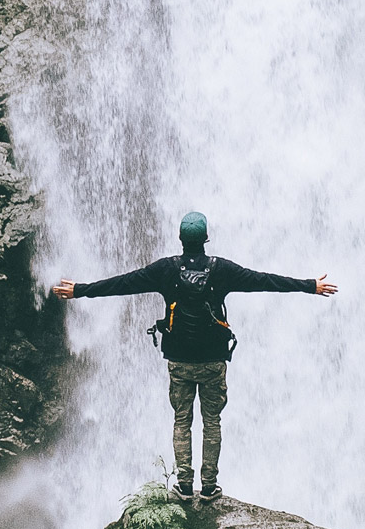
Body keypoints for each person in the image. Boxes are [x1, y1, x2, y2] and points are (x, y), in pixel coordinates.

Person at [50, 211, 339, 499]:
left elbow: (124, 283)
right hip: (213, 361)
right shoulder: (222, 270)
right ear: (206, 239)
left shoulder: (165, 270)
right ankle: (210, 486)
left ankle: (185, 485)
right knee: (211, 422)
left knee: (182, 421)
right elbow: (263, 280)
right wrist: (309, 286)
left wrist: (79, 290)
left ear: (180, 239)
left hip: (179, 361)